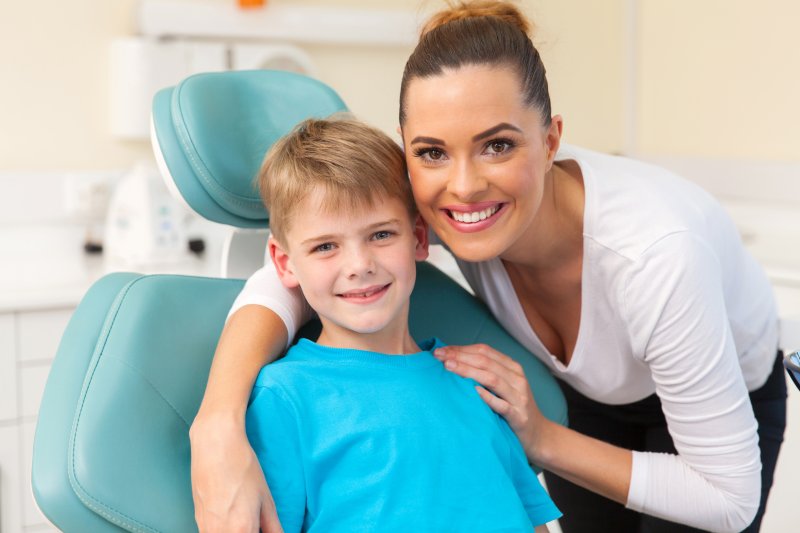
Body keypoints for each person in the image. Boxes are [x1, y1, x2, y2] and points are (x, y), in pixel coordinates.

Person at [189, 2, 787, 532]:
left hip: (712, 408)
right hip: (580, 397)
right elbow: (297, 275)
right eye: (431, 152)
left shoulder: (657, 254)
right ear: (408, 152)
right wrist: (217, 422)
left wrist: (543, 438)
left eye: (498, 144)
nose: (465, 186)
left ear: (551, 139)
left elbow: (728, 498)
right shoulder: (418, 210)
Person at [242, 117, 561, 532]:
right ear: (285, 263)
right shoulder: (285, 400)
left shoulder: (472, 383)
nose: (359, 265)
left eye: (380, 235)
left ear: (418, 238)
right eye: (325, 246)